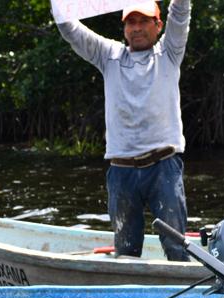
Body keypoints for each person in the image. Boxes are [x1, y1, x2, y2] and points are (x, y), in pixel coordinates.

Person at [54, 1, 191, 260]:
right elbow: (68, 28)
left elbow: (181, 11)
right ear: (124, 28)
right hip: (122, 171)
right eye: (131, 22)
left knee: (176, 249)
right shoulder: (110, 55)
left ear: (158, 25)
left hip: (163, 167)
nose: (137, 28)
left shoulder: (169, 52)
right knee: (126, 251)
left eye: (143, 21)